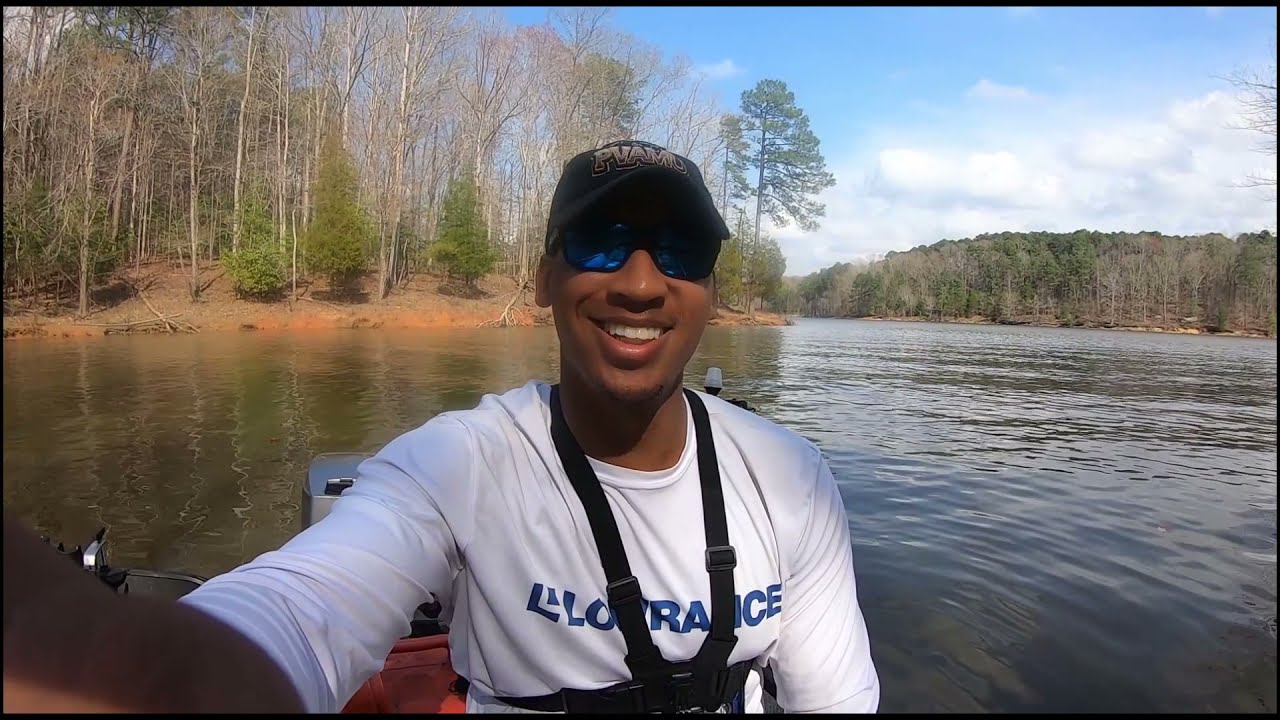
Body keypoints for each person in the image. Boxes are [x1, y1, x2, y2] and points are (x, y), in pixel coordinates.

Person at [3, 139, 879, 714]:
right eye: (602, 243)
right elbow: (299, 611)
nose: (642, 285)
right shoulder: (457, 466)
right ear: (543, 279)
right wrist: (126, 667)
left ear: (711, 294)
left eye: (679, 253)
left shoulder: (791, 480)